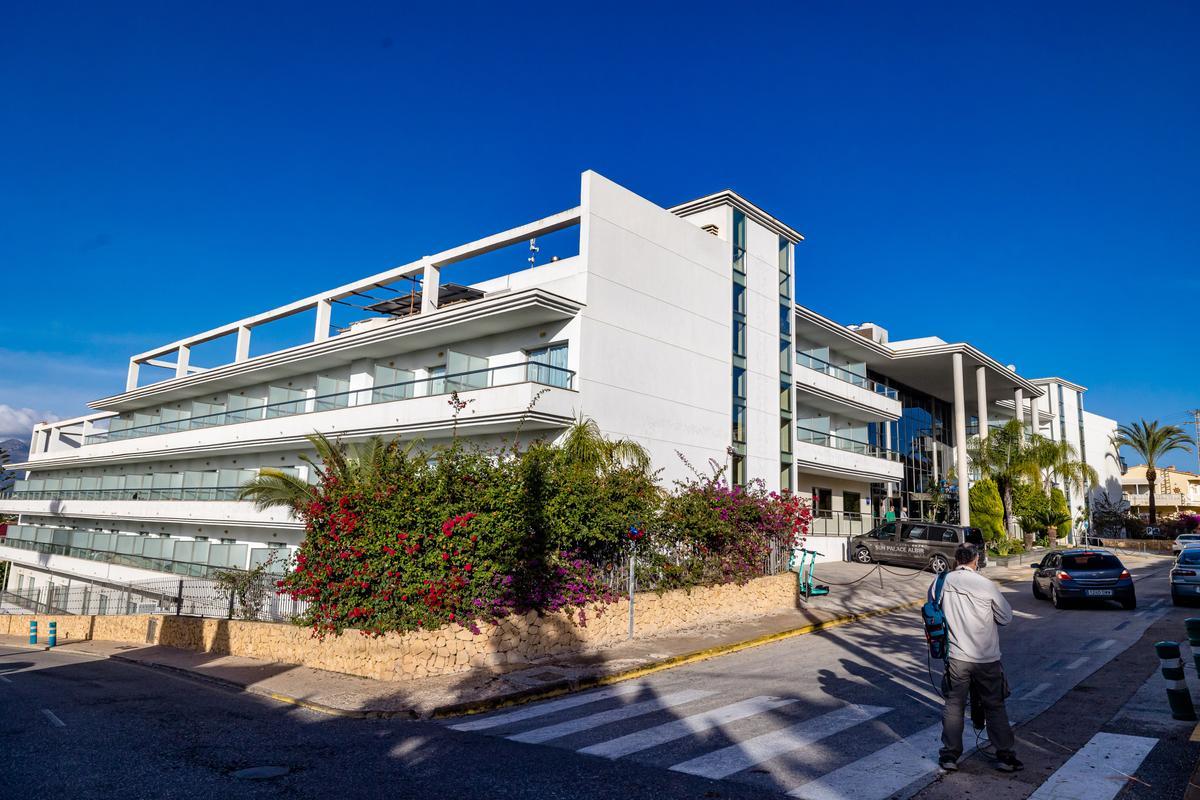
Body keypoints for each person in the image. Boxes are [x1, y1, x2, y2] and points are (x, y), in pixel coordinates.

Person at [930, 542, 1022, 773]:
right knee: (995, 706)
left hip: (956, 656)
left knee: (954, 705)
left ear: (956, 559)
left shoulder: (941, 582)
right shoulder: (985, 585)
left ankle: (949, 755)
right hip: (986, 657)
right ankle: (1005, 756)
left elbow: (932, 610)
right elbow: (1006, 617)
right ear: (976, 560)